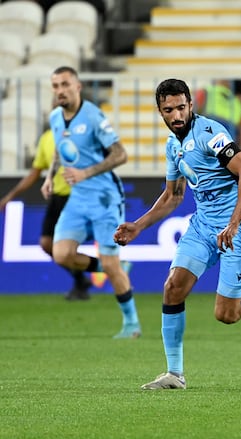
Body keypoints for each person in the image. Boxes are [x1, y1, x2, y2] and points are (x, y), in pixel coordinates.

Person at [113, 78, 241, 390]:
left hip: (238, 227)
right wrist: (138, 225)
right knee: (173, 287)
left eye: (181, 107)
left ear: (191, 105)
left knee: (227, 315)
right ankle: (174, 374)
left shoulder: (210, 134)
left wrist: (233, 224)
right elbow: (174, 196)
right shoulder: (172, 145)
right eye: (169, 110)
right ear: (160, 112)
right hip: (203, 227)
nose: (177, 115)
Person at [45, 66, 140, 338]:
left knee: (109, 263)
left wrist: (85, 172)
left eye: (65, 84)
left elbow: (121, 155)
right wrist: (49, 176)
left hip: (104, 198)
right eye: (55, 86)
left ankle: (131, 324)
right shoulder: (55, 117)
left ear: (77, 87)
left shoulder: (94, 117)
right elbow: (59, 147)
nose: (60, 90)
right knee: (60, 253)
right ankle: (114, 269)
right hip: (78, 199)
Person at [0, 119, 92, 300]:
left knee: (68, 245)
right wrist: (10, 196)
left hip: (78, 198)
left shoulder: (82, 135)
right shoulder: (46, 138)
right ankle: (80, 278)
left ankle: (109, 273)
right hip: (57, 197)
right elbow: (34, 173)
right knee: (46, 244)